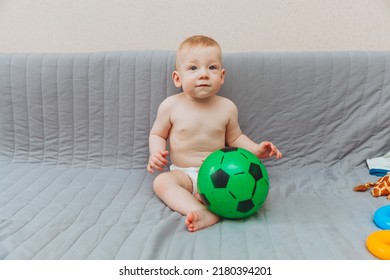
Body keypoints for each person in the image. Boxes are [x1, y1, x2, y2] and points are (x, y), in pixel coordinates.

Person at [147, 35, 282, 232]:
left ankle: (209, 201)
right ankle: (199, 209)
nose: (203, 74)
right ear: (178, 78)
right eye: (193, 68)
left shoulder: (227, 107)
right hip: (183, 174)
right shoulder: (170, 106)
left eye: (212, 67)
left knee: (241, 184)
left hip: (218, 176)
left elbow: (235, 138)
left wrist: (256, 149)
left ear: (222, 75)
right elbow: (157, 134)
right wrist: (156, 153)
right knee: (161, 182)